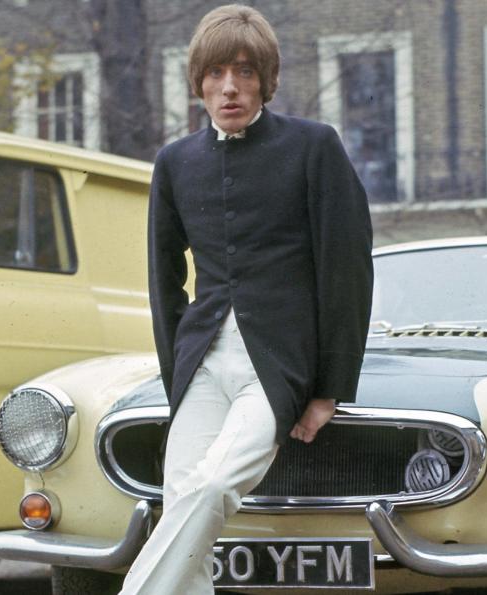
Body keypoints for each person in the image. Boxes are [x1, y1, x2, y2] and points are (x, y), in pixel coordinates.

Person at [120, 4, 373, 593]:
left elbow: (347, 273)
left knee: (209, 490)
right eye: (214, 74)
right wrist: (175, 377)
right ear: (198, 84)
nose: (228, 87)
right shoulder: (175, 162)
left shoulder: (314, 148)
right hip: (202, 366)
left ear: (265, 80)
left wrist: (328, 391)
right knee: (182, 503)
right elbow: (163, 283)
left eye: (243, 72)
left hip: (276, 368)